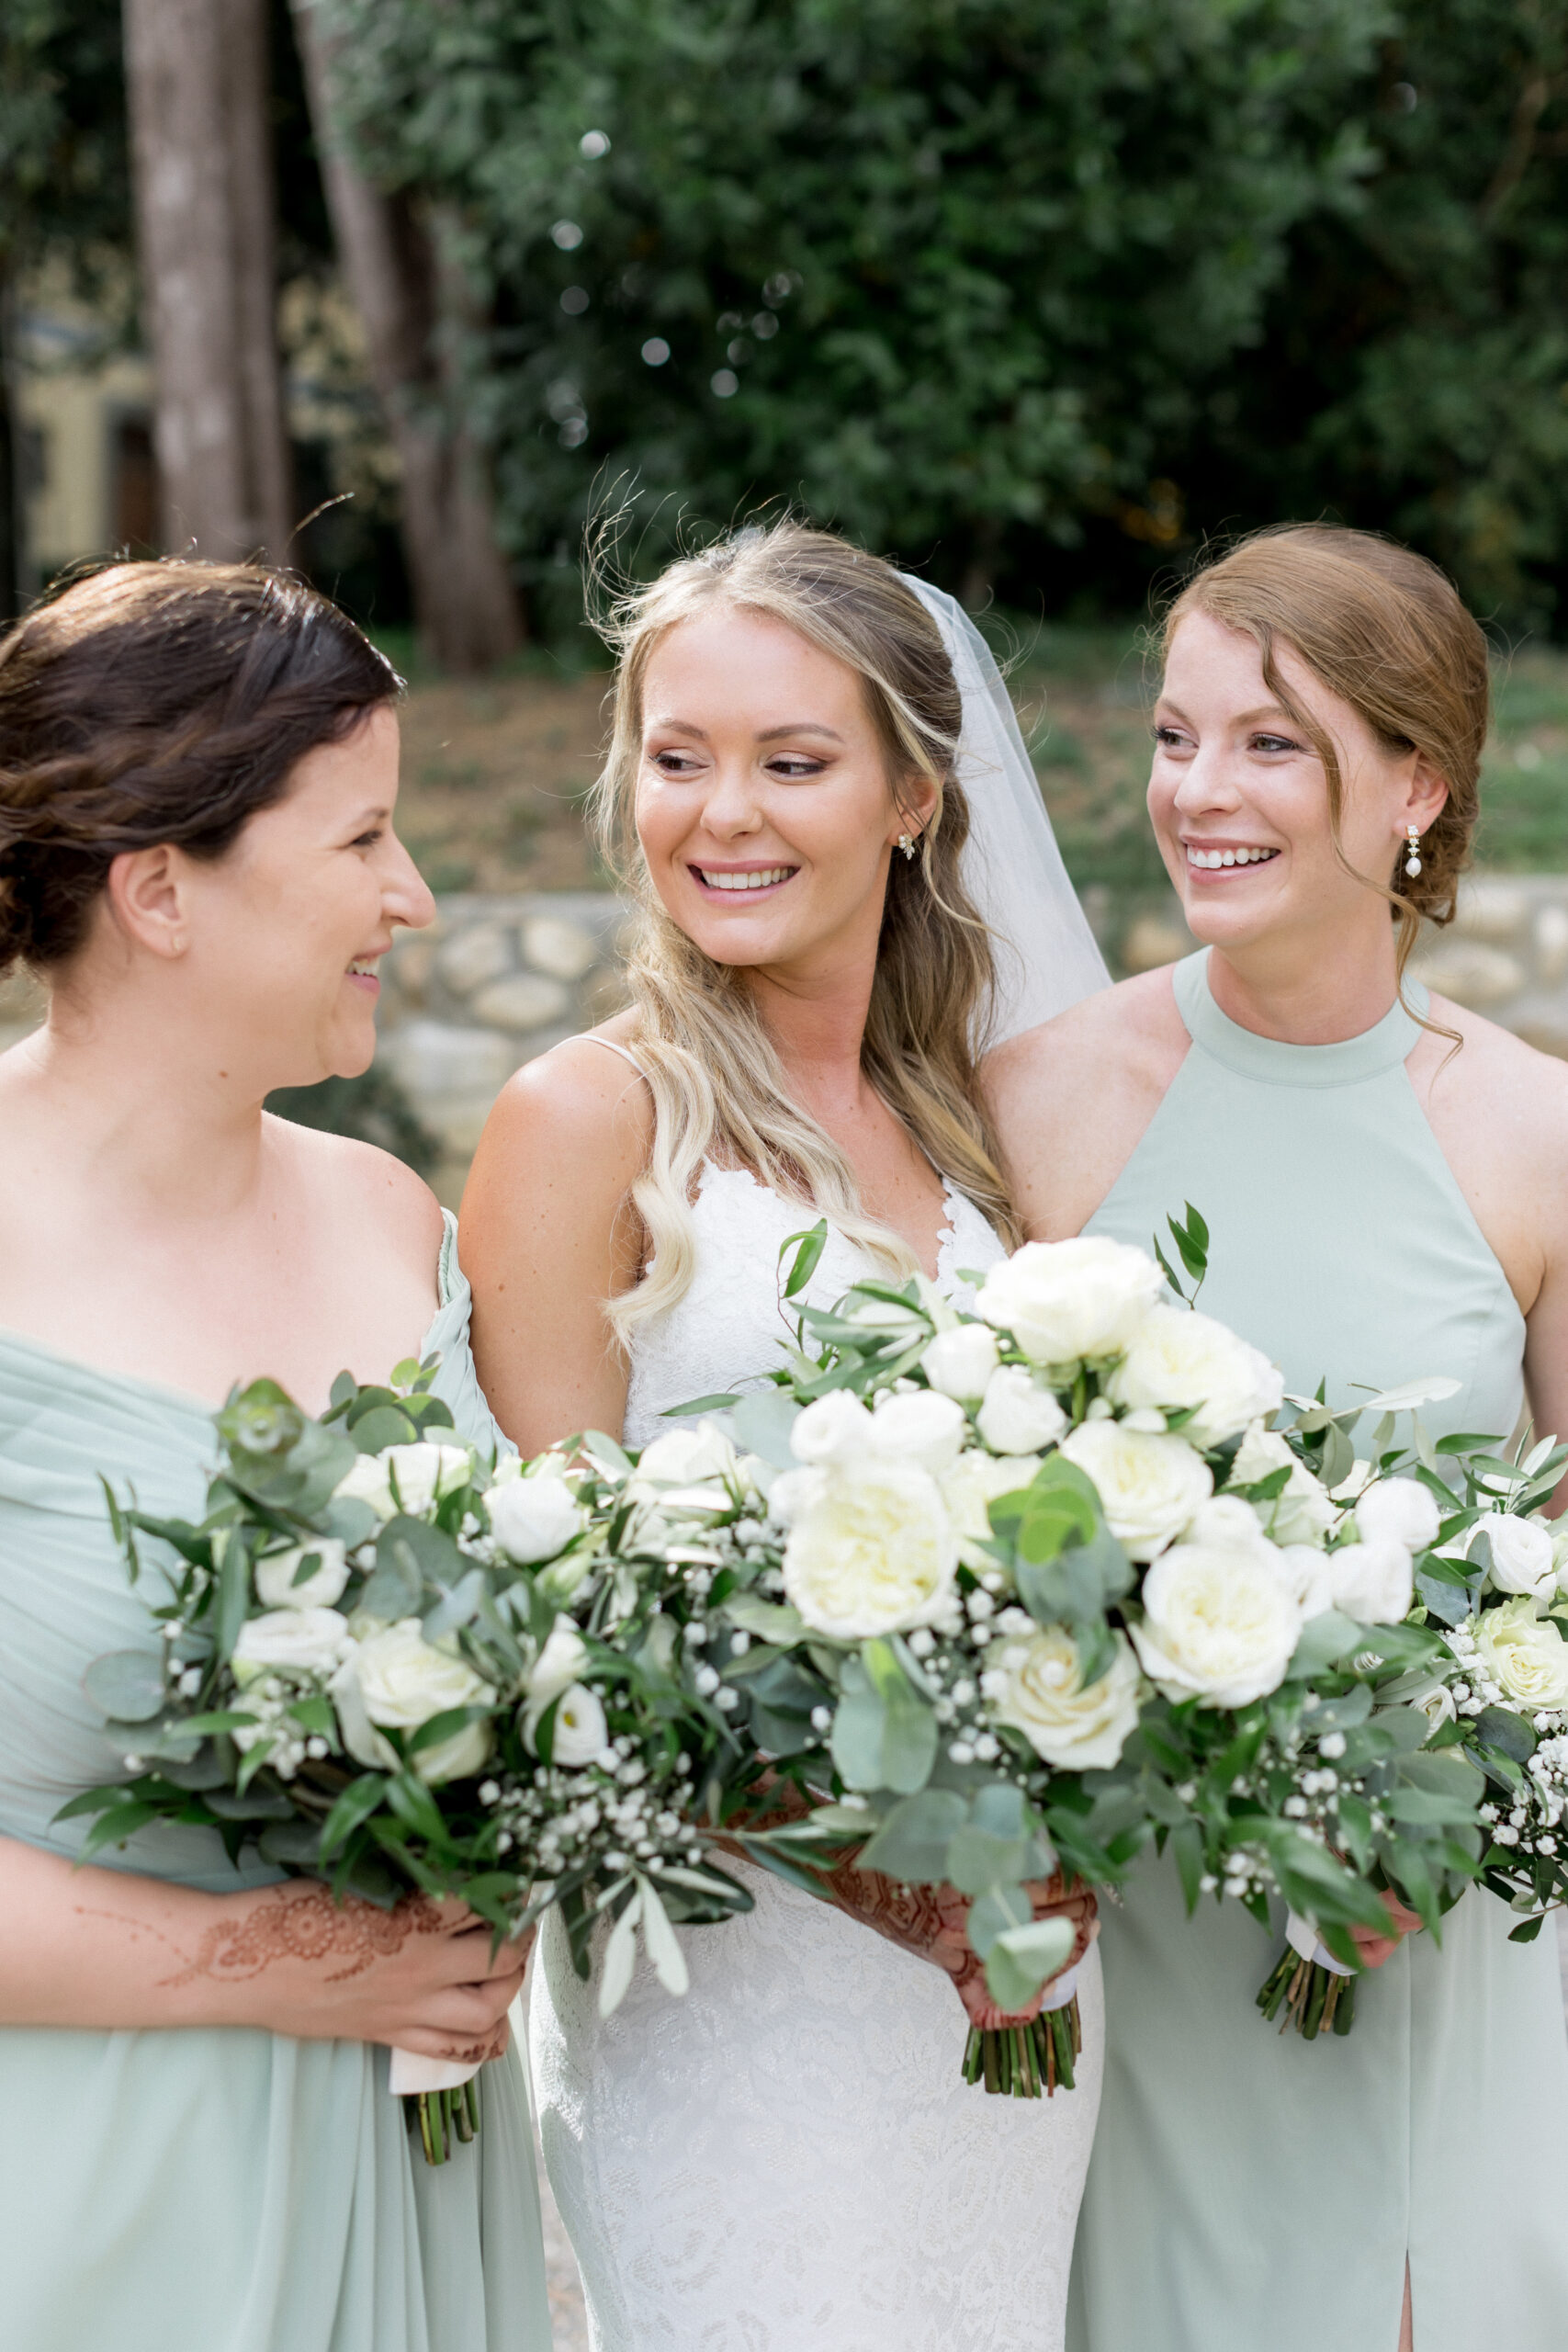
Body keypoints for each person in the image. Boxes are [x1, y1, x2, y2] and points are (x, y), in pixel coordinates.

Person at [461, 521, 1108, 2350]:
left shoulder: (982, 1138)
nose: (721, 813)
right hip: (731, 1987)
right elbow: (551, 1627)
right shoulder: (586, 1118)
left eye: (790, 761)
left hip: (1001, 1984)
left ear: (915, 791)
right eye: (677, 758)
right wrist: (882, 1861)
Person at [986, 524, 1568, 2352]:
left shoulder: (1533, 1137)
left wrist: (1438, 1786)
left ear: (1414, 782)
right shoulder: (1042, 1103)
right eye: (1173, 735)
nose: (1195, 792)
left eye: (1268, 741)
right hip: (1147, 1941)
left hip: (1446, 1934)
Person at [0, 561, 549, 2352]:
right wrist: (319, 1965)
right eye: (361, 840)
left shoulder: (388, 1215)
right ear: (159, 887)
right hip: (99, 2205)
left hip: (419, 2174)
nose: (414, 893)